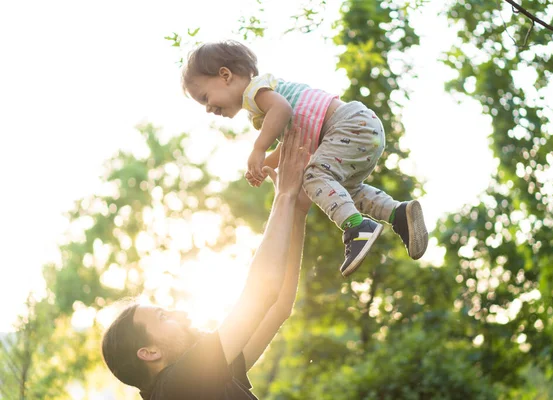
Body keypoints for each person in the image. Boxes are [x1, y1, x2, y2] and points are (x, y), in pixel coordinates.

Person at [180, 40, 428, 277]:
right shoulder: (260, 104)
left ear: (225, 75)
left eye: (204, 98)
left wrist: (258, 149)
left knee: (313, 177)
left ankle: (358, 228)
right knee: (342, 191)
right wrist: (265, 164)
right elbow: (291, 142)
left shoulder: (256, 91)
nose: (208, 108)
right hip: (360, 129)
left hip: (349, 125)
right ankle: (398, 213)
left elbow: (283, 110)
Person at [102, 126, 312, 399]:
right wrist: (284, 196)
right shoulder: (176, 388)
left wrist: (296, 211)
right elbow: (263, 294)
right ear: (150, 353)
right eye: (164, 317)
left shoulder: (203, 379)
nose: (181, 314)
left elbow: (278, 306)